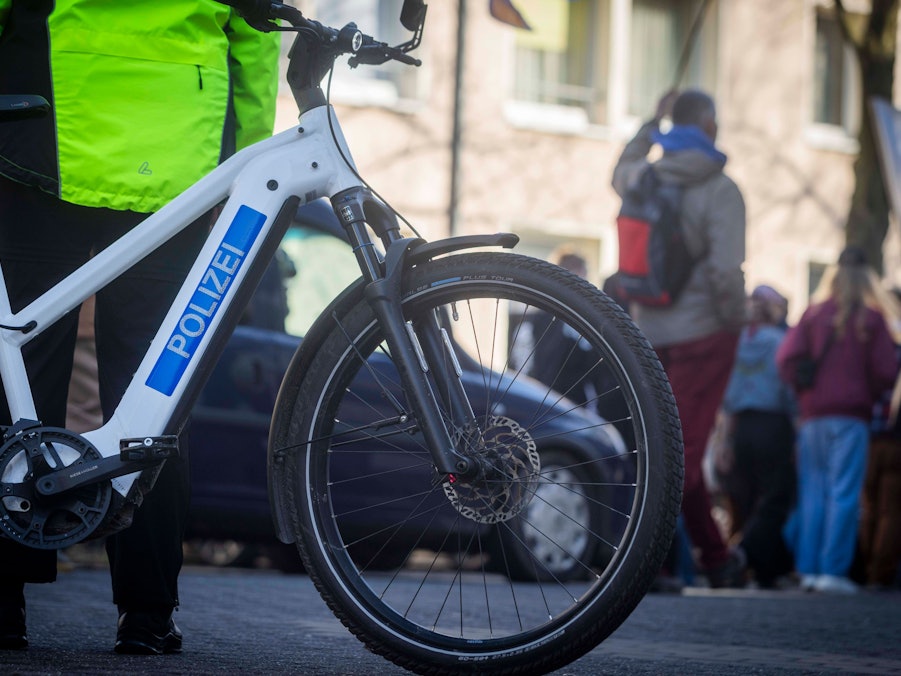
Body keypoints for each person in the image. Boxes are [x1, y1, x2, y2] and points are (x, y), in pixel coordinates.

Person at [0, 2, 279, 652]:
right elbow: (258, 40)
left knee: (22, 379)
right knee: (152, 396)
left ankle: (4, 601)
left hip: (39, 133)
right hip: (178, 153)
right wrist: (244, 164)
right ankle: (148, 615)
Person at [612, 89, 747, 587]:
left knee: (659, 445)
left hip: (648, 330)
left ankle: (708, 558)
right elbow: (726, 272)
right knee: (682, 456)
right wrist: (738, 319)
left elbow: (618, 168)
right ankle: (657, 561)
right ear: (709, 124)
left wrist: (650, 120)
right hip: (703, 335)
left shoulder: (645, 176)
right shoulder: (721, 189)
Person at [776, 246, 898, 594]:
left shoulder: (814, 314)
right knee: (843, 492)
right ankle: (832, 571)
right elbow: (887, 371)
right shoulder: (872, 320)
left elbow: (785, 358)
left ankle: (808, 570)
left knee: (812, 492)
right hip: (852, 416)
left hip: (813, 415)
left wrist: (805, 390)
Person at [720, 284, 796, 588]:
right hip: (773, 424)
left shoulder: (737, 344)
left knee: (752, 499)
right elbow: (789, 390)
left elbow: (728, 395)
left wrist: (725, 439)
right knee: (777, 496)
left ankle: (770, 569)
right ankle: (745, 552)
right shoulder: (781, 342)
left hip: (742, 427)